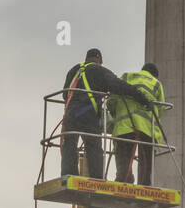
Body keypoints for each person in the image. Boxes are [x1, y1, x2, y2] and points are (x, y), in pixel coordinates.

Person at [60, 49, 154, 181]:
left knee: (69, 144)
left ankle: (68, 175)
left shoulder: (74, 71)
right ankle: (96, 180)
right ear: (99, 59)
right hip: (88, 114)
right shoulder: (99, 71)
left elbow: (65, 94)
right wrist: (141, 98)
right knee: (93, 148)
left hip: (70, 114)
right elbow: (119, 85)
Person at [105, 62, 166, 186]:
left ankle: (124, 181)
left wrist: (116, 114)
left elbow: (111, 100)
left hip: (124, 126)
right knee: (146, 160)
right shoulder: (156, 83)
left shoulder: (126, 76)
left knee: (123, 156)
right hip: (146, 129)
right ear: (155, 75)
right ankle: (144, 185)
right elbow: (160, 110)